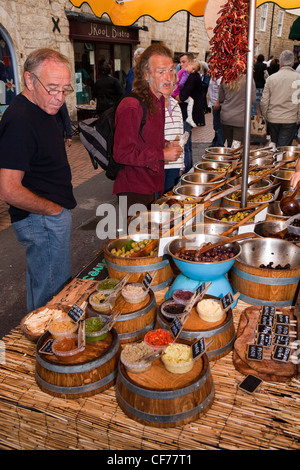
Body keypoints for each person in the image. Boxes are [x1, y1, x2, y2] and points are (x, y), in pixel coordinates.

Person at [0, 48, 77, 313]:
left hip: (47, 218)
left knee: (45, 286)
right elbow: (8, 189)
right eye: (52, 88)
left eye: (65, 89)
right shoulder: (20, 120)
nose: (59, 98)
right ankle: (47, 349)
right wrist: (53, 210)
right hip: (42, 219)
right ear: (29, 81)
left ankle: (41, 343)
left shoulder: (41, 108)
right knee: (53, 297)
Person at [112, 43, 182, 209]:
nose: (168, 77)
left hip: (153, 183)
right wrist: (162, 154)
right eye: (161, 71)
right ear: (145, 74)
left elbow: (146, 137)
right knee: (137, 235)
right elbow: (121, 154)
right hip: (134, 189)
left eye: (171, 70)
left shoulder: (157, 100)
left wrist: (165, 143)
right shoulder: (131, 106)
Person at [260, 50, 300, 147]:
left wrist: (266, 116)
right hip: (290, 118)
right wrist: (298, 118)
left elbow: (264, 101)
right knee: (282, 148)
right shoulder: (298, 78)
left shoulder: (271, 78)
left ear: (280, 63)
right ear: (292, 63)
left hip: (273, 117)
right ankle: (278, 160)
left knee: (276, 145)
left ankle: (275, 160)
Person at [176, 52, 204, 172]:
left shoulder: (192, 77)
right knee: (187, 144)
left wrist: (172, 96)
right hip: (186, 114)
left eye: (183, 62)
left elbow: (182, 97)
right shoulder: (188, 76)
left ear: (190, 63)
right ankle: (188, 168)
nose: (181, 64)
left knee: (184, 144)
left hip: (187, 115)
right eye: (180, 62)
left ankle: (186, 171)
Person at [219, 73, 257, 148]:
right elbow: (253, 100)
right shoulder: (248, 79)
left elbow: (221, 99)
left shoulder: (224, 79)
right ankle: (237, 159)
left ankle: (231, 158)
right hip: (241, 117)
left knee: (230, 144)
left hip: (226, 116)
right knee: (238, 147)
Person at [163, 84, 185, 192]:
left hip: (175, 164)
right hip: (159, 164)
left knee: (169, 198)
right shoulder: (152, 106)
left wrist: (181, 165)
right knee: (157, 202)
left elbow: (181, 137)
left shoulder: (176, 105)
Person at [172, 59, 200, 128]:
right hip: (177, 93)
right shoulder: (185, 73)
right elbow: (181, 83)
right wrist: (181, 89)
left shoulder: (181, 71)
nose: (193, 71)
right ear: (189, 64)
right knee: (191, 101)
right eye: (193, 69)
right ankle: (189, 118)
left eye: (194, 70)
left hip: (174, 92)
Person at [208, 77, 225, 147]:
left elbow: (221, 89)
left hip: (218, 104)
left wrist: (217, 101)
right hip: (214, 103)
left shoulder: (219, 76)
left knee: (218, 125)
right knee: (216, 125)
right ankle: (215, 142)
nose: (209, 65)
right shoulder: (214, 75)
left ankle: (219, 144)